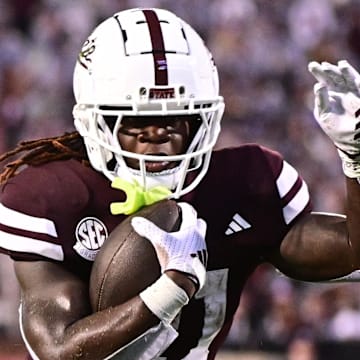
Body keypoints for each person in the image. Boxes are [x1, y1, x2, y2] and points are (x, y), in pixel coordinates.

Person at [0, 6, 360, 360]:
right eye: (135, 120)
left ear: (203, 120)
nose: (157, 133)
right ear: (99, 122)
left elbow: (352, 250)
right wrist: (170, 290)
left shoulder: (245, 183)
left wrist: (355, 158)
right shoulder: (55, 198)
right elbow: (60, 351)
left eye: (177, 117)